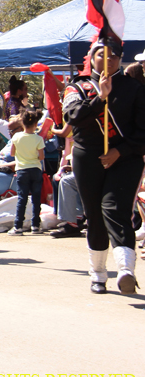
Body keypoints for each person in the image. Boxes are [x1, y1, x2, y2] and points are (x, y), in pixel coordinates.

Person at [64, 38, 145, 294]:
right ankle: (98, 275)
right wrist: (101, 97)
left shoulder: (135, 87)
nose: (108, 60)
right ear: (92, 58)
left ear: (121, 59)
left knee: (116, 209)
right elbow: (74, 117)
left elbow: (143, 130)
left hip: (126, 157)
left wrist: (120, 151)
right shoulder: (77, 87)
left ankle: (125, 270)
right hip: (88, 158)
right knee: (95, 217)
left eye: (113, 56)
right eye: (102, 55)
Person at [7, 110, 46, 235]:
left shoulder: (16, 137)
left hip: (22, 170)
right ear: (35, 124)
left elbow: (12, 153)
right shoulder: (39, 139)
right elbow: (41, 157)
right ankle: (36, 226)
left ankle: (18, 226)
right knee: (36, 199)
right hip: (36, 170)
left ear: (22, 123)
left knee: (22, 199)